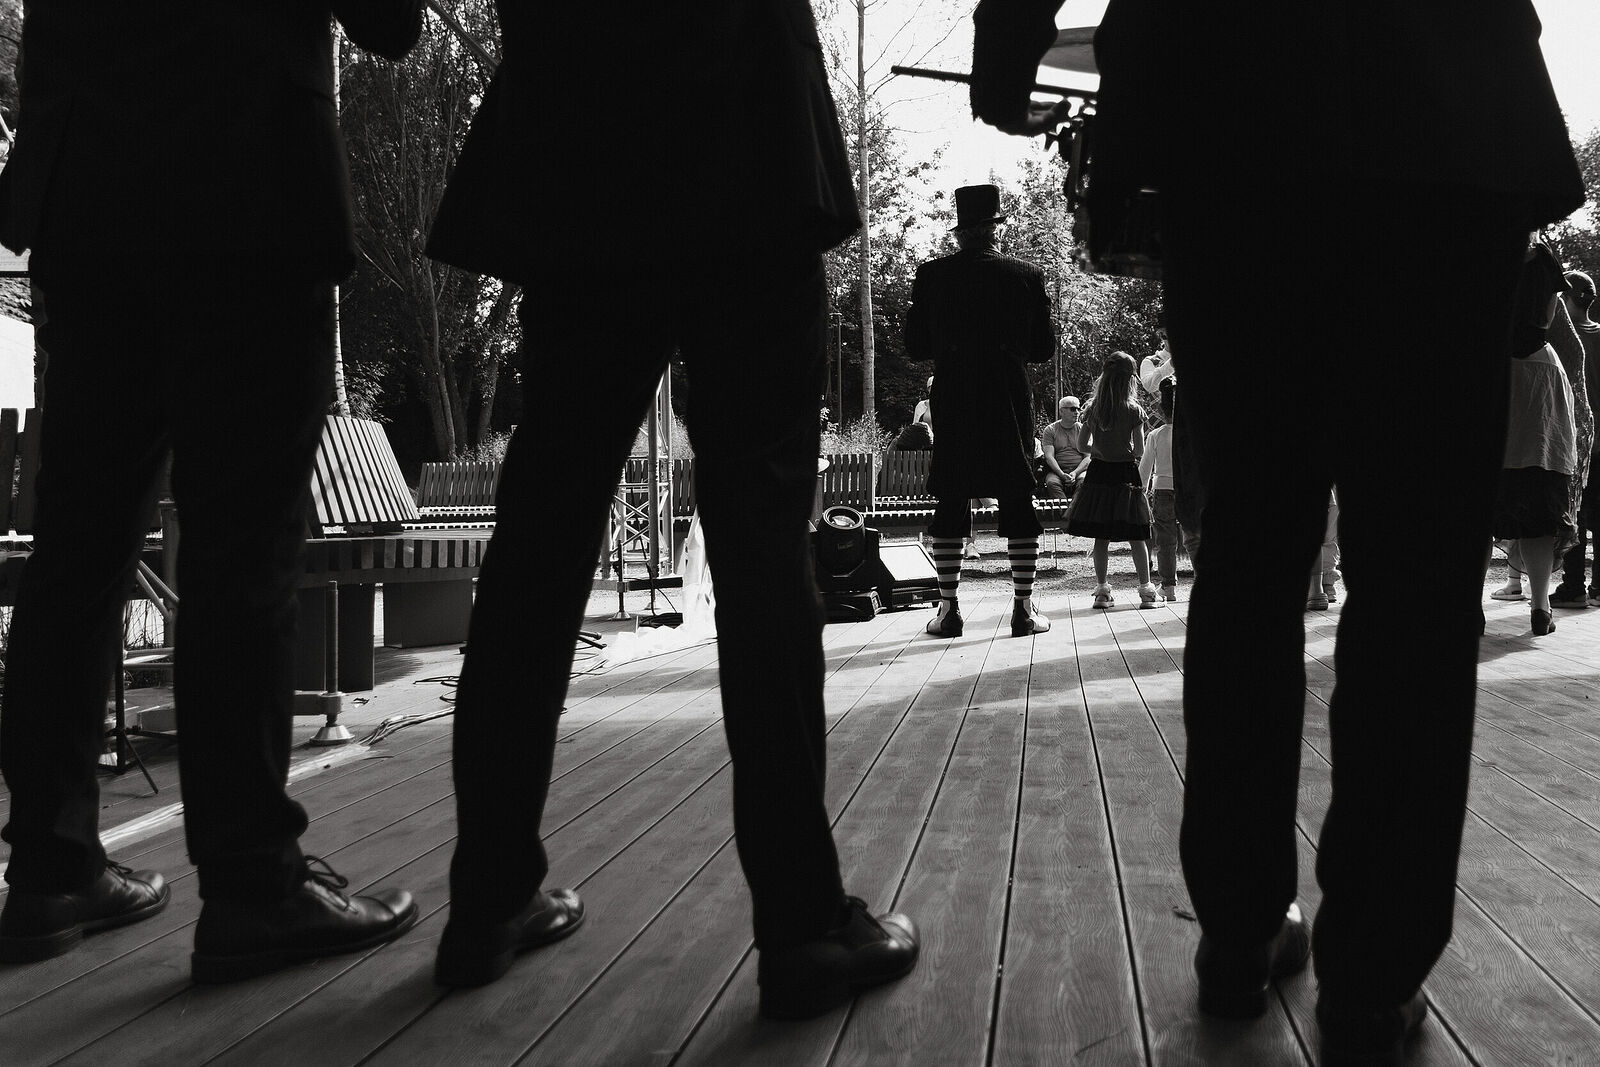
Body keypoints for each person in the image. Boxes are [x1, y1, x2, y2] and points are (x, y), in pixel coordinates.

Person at [971, 2, 1583, 1064]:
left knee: (1249, 545)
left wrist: (1013, 29)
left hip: (1230, 94)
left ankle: (1240, 921)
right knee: (1418, 566)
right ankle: (1375, 967)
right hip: (1442, 105)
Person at [421, 3, 917, 1015]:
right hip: (746, 123)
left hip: (581, 129)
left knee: (542, 535)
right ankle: (802, 921)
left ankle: (488, 896)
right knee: (761, 535)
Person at [0, 3, 425, 980]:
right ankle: (251, 879)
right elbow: (389, 21)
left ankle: (51, 869)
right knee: (242, 544)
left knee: (79, 543)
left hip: (90, 189)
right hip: (247, 178)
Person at [904, 183, 1056, 638]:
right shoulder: (1026, 275)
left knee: (951, 496)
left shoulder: (932, 276)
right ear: (996, 230)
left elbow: (915, 347)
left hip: (954, 396)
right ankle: (1024, 609)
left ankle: (948, 610)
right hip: (1008, 396)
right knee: (1017, 495)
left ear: (959, 232)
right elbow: (1043, 349)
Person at [1490, 236, 1581, 635]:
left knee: (1481, 503)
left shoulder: (1480, 250)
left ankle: (1470, 609)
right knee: (1540, 504)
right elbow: (1564, 334)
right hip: (1541, 373)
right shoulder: (1543, 259)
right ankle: (1541, 606)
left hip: (1492, 369)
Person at [1067, 352, 1158, 609]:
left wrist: (1099, 450)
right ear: (1130, 379)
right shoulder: (1134, 410)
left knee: (1101, 535)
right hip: (1125, 475)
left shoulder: (1093, 408)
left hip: (1098, 474)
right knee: (1136, 533)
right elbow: (1139, 451)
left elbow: (1081, 445)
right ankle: (1146, 591)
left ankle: (1102, 592)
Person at [1550, 269, 1600, 609]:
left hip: (1576, 437)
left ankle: (1573, 587)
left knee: (1575, 511)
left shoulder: (1563, 339)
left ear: (1565, 299)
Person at [1139, 379, 1185, 603]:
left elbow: (1145, 470)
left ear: (1160, 409)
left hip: (1163, 490)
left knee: (1166, 541)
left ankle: (1168, 586)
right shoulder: (1190, 434)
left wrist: (1141, 491)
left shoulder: (1155, 435)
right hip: (1188, 490)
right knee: (1195, 536)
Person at [1040, 395, 1089, 499]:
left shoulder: (1083, 430)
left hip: (1080, 471)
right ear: (1061, 411)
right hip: (1056, 471)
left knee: (1084, 482)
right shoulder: (1050, 430)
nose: (1077, 412)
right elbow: (1049, 457)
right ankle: (1063, 508)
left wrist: (1075, 473)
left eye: (1078, 409)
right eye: (1073, 409)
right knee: (1052, 483)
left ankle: (1075, 508)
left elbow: (1088, 457)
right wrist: (1061, 474)